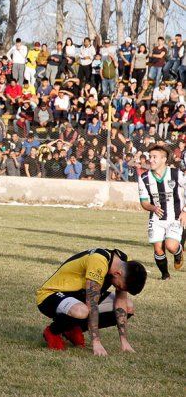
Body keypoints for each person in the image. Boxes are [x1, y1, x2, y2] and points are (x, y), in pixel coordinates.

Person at [37, 248, 146, 354]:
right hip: (50, 295)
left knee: (128, 307)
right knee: (82, 311)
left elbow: (121, 302)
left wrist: (124, 341)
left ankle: (71, 328)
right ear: (118, 273)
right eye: (120, 286)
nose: (118, 289)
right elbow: (92, 304)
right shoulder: (98, 261)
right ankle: (53, 331)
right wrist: (96, 342)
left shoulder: (125, 263)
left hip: (79, 297)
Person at [137, 144, 185, 280]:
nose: (150, 160)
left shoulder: (176, 174)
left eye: (154, 157)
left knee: (171, 246)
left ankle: (178, 252)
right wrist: (153, 208)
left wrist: (185, 211)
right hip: (156, 218)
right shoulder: (144, 178)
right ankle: (165, 275)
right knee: (158, 248)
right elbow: (144, 202)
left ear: (164, 159)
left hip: (175, 217)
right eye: (150, 157)